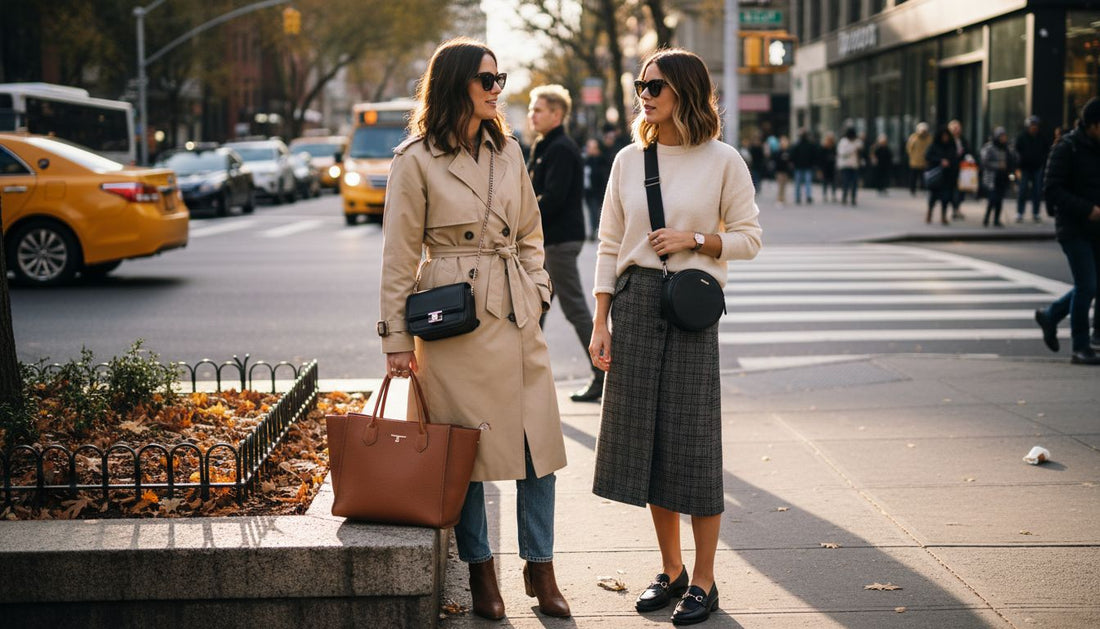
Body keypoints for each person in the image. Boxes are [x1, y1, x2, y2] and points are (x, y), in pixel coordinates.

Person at [378, 38, 571, 620]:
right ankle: (483, 574)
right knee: (468, 452)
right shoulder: (414, 160)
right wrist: (393, 341)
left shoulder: (509, 150)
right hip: (452, 320)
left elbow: (532, 232)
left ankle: (542, 569)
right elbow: (397, 256)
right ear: (454, 83)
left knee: (539, 448)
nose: (496, 89)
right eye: (485, 79)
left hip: (516, 311)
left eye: (500, 79)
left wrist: (538, 289)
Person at [588, 48, 762, 625]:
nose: (645, 92)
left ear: (685, 89)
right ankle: (671, 568)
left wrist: (698, 239)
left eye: (655, 84)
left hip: (689, 313)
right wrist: (600, 320)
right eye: (641, 83)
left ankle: (705, 580)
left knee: (693, 445)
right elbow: (610, 243)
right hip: (635, 307)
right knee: (649, 448)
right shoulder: (628, 160)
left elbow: (749, 237)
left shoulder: (723, 160)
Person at [527, 84, 603, 402]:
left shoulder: (560, 148)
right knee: (535, 307)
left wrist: (523, 215)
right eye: (531, 109)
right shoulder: (544, 145)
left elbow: (553, 198)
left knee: (573, 308)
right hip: (549, 239)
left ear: (557, 114)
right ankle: (526, 375)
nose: (532, 115)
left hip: (558, 241)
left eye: (538, 109)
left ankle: (602, 374)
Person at [1034, 97, 1100, 365]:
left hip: (1095, 229)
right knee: (1087, 285)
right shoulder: (1067, 147)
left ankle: (1051, 316)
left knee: (1091, 285)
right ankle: (1080, 346)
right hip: (1073, 228)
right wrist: (1086, 209)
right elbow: (1051, 189)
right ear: (1093, 125)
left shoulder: (1096, 147)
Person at [1015, 115, 1049, 223]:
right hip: (1024, 168)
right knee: (1022, 190)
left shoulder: (1041, 137)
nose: (1034, 127)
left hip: (1037, 168)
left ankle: (1036, 213)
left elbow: (1046, 151)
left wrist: (1042, 162)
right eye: (1032, 125)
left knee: (1037, 191)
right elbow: (1016, 152)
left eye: (1036, 125)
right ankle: (1020, 212)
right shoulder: (1021, 137)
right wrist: (1018, 166)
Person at [980, 127, 1014, 227]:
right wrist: (997, 165)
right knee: (993, 198)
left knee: (1000, 199)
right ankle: (986, 218)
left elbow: (1011, 161)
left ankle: (996, 219)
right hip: (992, 177)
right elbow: (984, 161)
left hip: (1002, 177)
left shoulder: (1006, 148)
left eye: (1004, 136)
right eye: (1001, 136)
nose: (1003, 138)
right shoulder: (989, 147)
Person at [925, 126, 958, 225]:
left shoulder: (951, 146)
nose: (945, 138)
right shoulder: (934, 146)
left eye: (946, 136)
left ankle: (943, 216)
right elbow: (928, 156)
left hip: (948, 176)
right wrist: (940, 161)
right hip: (936, 176)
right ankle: (929, 213)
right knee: (933, 197)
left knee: (946, 197)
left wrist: (950, 163)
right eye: (943, 136)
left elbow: (955, 159)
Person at [584, 137, 611, 239]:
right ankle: (593, 230)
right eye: (589, 147)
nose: (590, 149)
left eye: (593, 147)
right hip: (588, 192)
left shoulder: (601, 161)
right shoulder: (586, 160)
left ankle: (595, 231)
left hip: (597, 192)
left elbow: (603, 177)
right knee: (591, 212)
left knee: (595, 212)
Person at [948, 119, 973, 220]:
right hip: (951, 169)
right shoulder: (948, 141)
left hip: (962, 168)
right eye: (954, 129)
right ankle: (954, 208)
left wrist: (968, 157)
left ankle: (957, 208)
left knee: (961, 190)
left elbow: (968, 150)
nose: (957, 131)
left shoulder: (963, 140)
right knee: (952, 190)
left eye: (958, 128)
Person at [790, 129, 818, 204]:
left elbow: (792, 155)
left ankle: (798, 197)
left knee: (798, 183)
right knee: (807, 182)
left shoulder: (797, 145)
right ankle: (807, 196)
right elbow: (814, 156)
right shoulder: (810, 145)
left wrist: (793, 163)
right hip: (807, 166)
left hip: (799, 166)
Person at [837, 127, 862, 205]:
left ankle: (853, 198)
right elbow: (842, 153)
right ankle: (844, 197)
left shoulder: (856, 141)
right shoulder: (843, 142)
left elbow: (861, 147)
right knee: (846, 182)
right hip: (845, 166)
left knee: (854, 183)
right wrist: (853, 148)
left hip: (854, 165)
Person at [906, 122, 932, 196]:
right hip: (915, 161)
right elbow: (909, 148)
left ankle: (924, 189)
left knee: (924, 177)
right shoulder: (914, 137)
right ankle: (912, 189)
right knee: (913, 177)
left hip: (925, 161)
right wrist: (912, 156)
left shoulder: (929, 138)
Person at [773, 135, 792, 205]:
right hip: (779, 171)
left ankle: (783, 198)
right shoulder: (778, 152)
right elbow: (776, 161)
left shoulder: (788, 151)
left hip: (786, 171)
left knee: (784, 185)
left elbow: (790, 161)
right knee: (780, 186)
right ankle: (779, 199)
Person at [819, 131, 838, 202]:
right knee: (825, 182)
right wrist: (820, 169)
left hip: (832, 167)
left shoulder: (834, 147)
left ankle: (833, 195)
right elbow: (820, 158)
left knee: (833, 182)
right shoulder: (823, 147)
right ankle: (825, 195)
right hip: (825, 167)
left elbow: (837, 156)